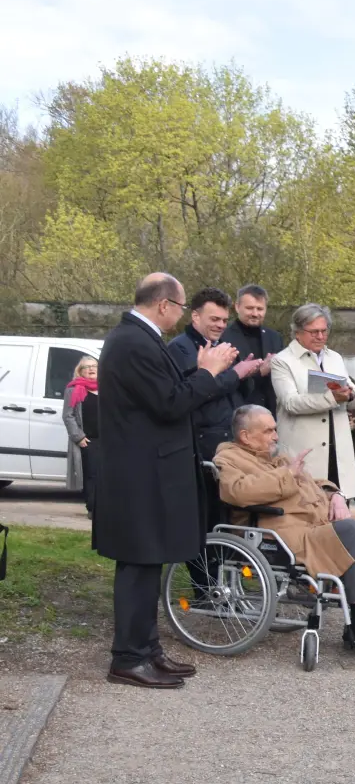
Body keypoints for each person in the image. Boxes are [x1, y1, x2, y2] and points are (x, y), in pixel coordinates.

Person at [94, 272, 247, 688]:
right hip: (140, 475)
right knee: (138, 565)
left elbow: (163, 395)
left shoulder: (137, 340)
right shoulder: (132, 342)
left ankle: (147, 651)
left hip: (147, 471)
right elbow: (170, 403)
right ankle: (128, 657)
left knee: (148, 563)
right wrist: (209, 372)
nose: (180, 318)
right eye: (180, 308)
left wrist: (197, 372)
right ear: (164, 304)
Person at [215, 405, 355, 643]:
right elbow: (237, 493)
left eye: (275, 429)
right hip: (280, 535)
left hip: (313, 523)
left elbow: (312, 481)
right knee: (351, 530)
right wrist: (286, 475)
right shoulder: (229, 458)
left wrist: (333, 494)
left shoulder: (276, 458)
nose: (275, 435)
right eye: (268, 431)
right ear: (245, 436)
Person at [272, 303, 355, 510]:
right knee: (306, 516)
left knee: (340, 515)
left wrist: (350, 394)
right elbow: (290, 402)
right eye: (314, 331)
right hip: (306, 454)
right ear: (297, 332)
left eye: (324, 331)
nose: (320, 336)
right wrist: (332, 398)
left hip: (338, 451)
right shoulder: (282, 361)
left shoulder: (334, 357)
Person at [168, 287, 252, 461]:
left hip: (234, 434)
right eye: (214, 319)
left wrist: (251, 372)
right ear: (195, 316)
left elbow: (237, 389)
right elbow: (198, 389)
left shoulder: (225, 345)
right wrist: (236, 374)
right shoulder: (179, 347)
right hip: (206, 440)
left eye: (224, 320)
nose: (221, 325)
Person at [219, 283, 284, 415]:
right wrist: (259, 372)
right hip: (238, 414)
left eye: (260, 309)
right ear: (237, 307)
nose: (255, 313)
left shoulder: (275, 337)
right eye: (249, 308)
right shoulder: (223, 337)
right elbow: (223, 381)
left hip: (271, 413)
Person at [62, 356, 99, 515]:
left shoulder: (107, 388)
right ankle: (92, 508)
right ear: (80, 371)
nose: (91, 369)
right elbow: (68, 415)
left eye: (94, 366)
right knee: (91, 474)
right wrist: (78, 436)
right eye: (87, 367)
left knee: (106, 474)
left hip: (107, 439)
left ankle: (104, 507)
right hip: (88, 440)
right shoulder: (73, 389)